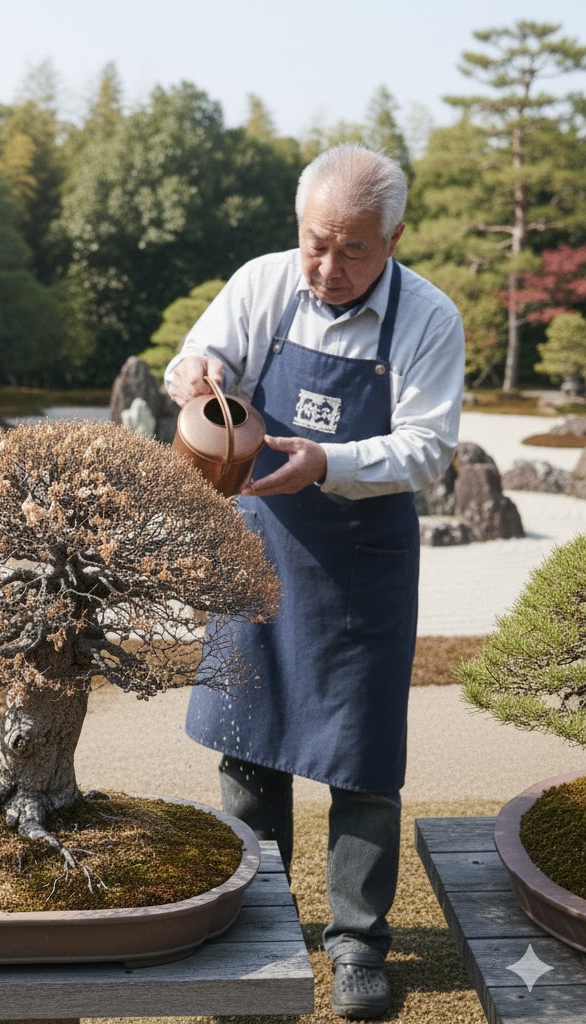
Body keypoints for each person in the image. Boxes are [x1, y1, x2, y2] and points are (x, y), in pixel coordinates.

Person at [165, 144, 465, 1021]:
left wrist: (325, 460)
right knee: (248, 739)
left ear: (395, 238)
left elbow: (427, 447)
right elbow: (202, 353)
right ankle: (260, 921)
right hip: (260, 542)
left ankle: (357, 944)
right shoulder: (264, 281)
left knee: (362, 759)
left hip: (362, 558)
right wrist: (196, 374)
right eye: (315, 244)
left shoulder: (427, 317)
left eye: (354, 250)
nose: (329, 269)